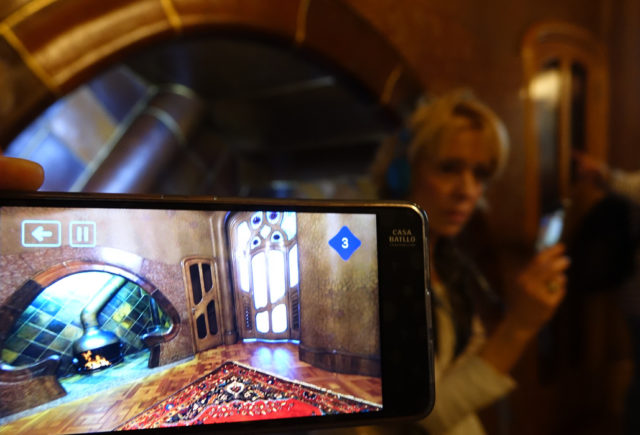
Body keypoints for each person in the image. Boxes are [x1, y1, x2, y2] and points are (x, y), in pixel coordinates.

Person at [375, 90, 570, 435]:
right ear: (402, 172)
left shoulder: (450, 264)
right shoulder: (377, 271)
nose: (467, 190)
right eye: (449, 168)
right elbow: (420, 417)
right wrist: (519, 327)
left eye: (480, 174)